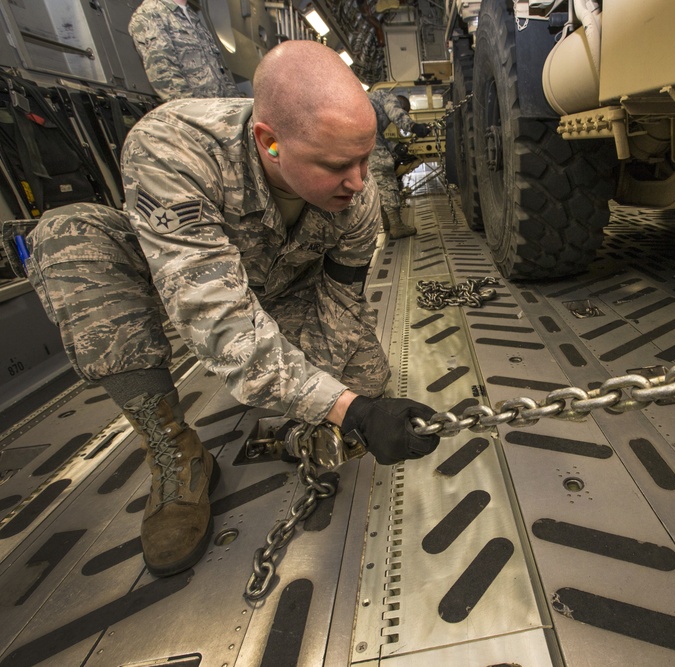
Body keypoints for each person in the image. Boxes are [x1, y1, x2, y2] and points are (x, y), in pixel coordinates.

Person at [23, 41, 439, 578]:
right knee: (70, 239)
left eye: (365, 158)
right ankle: (176, 455)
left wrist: (347, 393)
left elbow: (341, 301)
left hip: (280, 288)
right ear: (269, 144)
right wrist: (349, 411)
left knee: (367, 376)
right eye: (337, 165)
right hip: (182, 283)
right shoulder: (172, 149)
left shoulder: (357, 199)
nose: (360, 182)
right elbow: (219, 319)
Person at [129, 0, 242, 101]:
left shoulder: (193, 17)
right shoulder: (149, 14)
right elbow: (167, 79)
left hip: (221, 111)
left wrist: (237, 106)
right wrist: (196, 116)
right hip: (199, 115)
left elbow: (220, 73)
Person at [367, 90, 432, 239]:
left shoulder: (371, 103)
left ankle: (386, 220)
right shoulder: (386, 96)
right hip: (364, 135)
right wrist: (414, 127)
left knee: (373, 179)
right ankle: (397, 225)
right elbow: (396, 114)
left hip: (353, 137)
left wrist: (395, 147)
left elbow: (378, 137)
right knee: (384, 172)